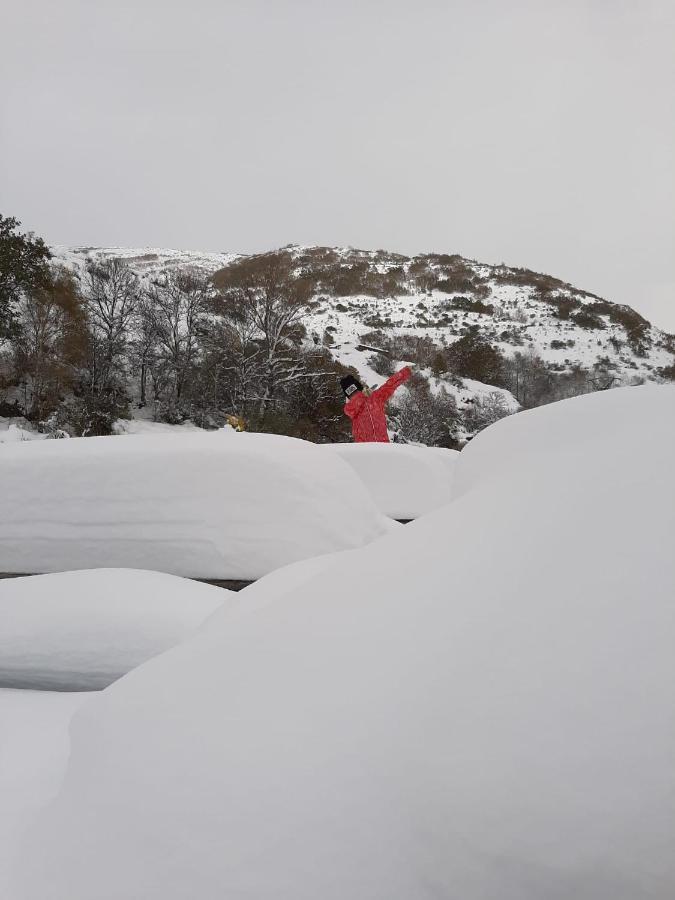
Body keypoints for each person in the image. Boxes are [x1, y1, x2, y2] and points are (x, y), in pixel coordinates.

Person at [340, 367, 411, 443]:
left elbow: (390, 385)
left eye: (356, 391)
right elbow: (351, 408)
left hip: (384, 446)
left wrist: (405, 372)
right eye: (351, 394)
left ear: (360, 389)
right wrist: (361, 396)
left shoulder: (376, 397)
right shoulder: (350, 408)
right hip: (365, 450)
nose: (355, 395)